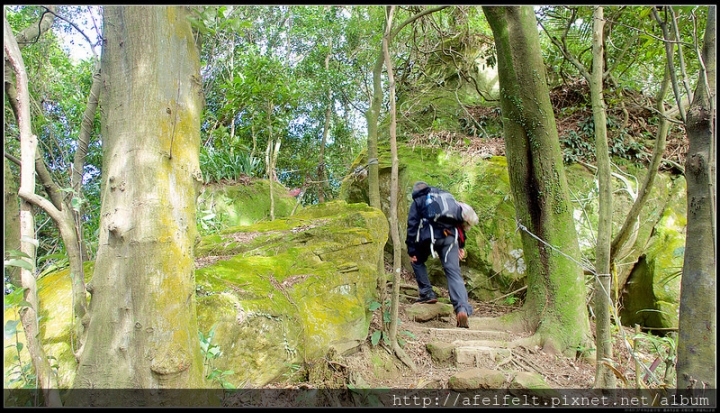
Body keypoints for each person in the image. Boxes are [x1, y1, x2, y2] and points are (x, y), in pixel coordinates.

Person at [405, 181, 472, 328]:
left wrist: (411, 250)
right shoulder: (445, 197)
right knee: (453, 272)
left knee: (417, 260)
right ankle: (461, 308)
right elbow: (460, 222)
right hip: (451, 238)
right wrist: (461, 245)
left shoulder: (419, 200)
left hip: (429, 238)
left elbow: (412, 225)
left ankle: (427, 293)